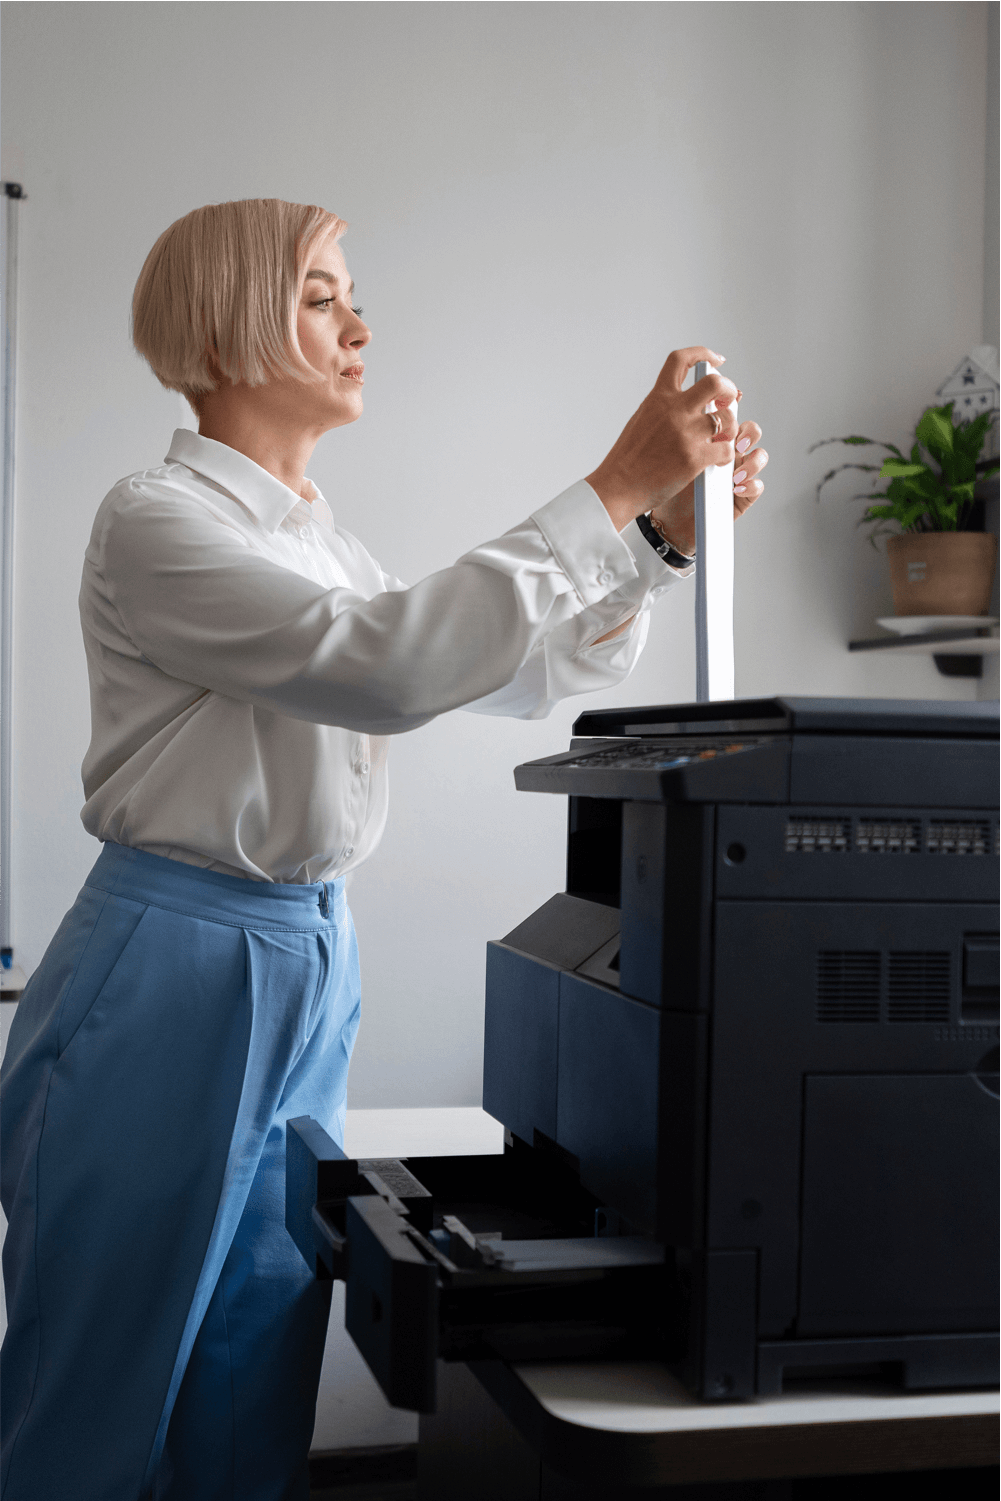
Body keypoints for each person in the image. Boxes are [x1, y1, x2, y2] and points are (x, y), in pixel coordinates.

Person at [0, 198, 768, 1501]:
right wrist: (618, 486)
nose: (359, 325)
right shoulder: (159, 521)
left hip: (304, 953)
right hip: (172, 960)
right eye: (319, 296)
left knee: (256, 1354)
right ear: (227, 322)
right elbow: (395, 667)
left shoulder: (321, 543)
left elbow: (515, 673)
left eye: (355, 297)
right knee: (103, 1385)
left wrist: (648, 548)